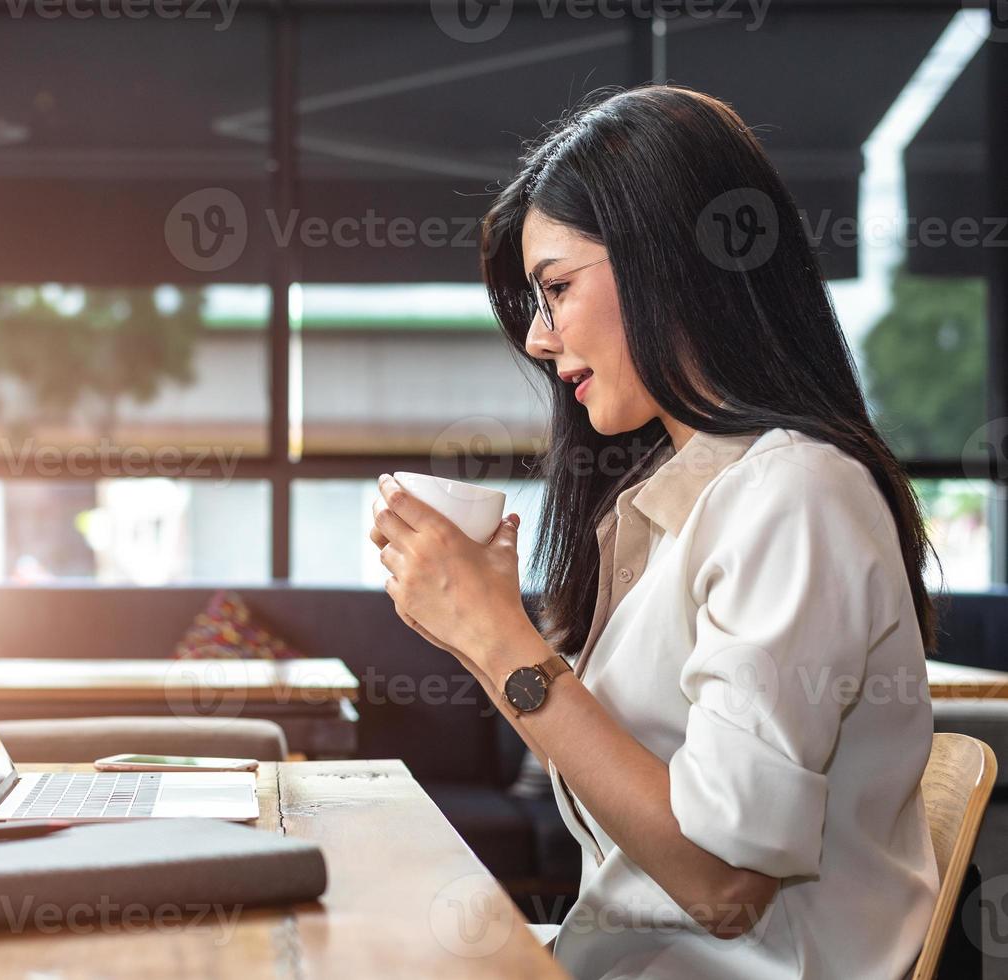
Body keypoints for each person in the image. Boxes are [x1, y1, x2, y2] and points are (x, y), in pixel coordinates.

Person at [369, 84, 938, 978]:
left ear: (668, 257)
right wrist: (474, 634)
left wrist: (498, 634)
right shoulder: (673, 496)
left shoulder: (798, 493)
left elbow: (721, 883)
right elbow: (632, 797)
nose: (542, 341)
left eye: (555, 288)